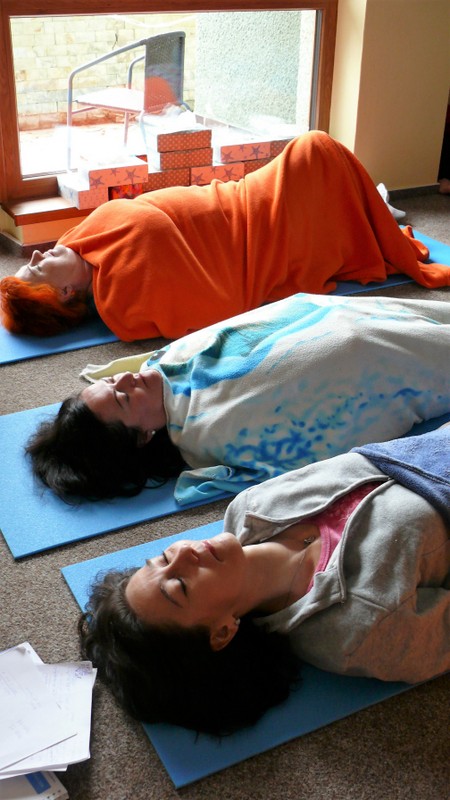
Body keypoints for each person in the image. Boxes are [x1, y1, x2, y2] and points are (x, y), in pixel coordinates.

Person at [79, 424, 450, 735]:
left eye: (162, 559)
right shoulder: (359, 630)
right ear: (222, 632)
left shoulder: (251, 506)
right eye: (179, 586)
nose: (183, 554)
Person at [1, 131, 449, 340]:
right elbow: (215, 304)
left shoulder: (78, 241)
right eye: (36, 270)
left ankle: (372, 212)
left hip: (239, 196)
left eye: (32, 261)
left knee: (316, 153)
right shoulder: (120, 297)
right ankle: (374, 215)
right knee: (315, 153)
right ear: (65, 293)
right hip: (256, 234)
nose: (36, 256)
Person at [27, 290, 450, 504]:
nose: (125, 379)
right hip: (372, 356)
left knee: (344, 322)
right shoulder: (208, 434)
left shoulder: (166, 362)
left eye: (112, 382)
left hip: (335, 317)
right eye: (121, 398)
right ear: (142, 437)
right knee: (358, 342)